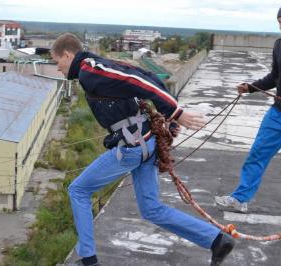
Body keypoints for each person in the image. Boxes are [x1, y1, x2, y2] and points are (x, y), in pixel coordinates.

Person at [51, 33, 234, 266]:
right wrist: (172, 115)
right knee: (152, 209)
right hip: (146, 143)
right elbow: (147, 75)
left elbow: (139, 82)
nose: (58, 69)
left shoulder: (90, 70)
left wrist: (175, 112)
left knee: (78, 190)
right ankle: (218, 240)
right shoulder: (100, 64)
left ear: (68, 54)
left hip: (132, 148)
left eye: (58, 62)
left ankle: (88, 260)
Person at [215, 1, 281, 213]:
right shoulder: (279, 45)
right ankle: (240, 200)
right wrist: (250, 87)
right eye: (279, 22)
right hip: (277, 115)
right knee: (257, 155)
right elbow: (274, 77)